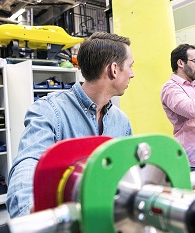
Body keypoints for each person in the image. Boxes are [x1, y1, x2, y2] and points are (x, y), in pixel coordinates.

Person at [7, 32, 135, 218]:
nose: (132, 74)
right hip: (65, 223)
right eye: (130, 66)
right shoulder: (49, 111)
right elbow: (28, 164)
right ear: (114, 69)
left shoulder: (121, 122)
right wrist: (29, 218)